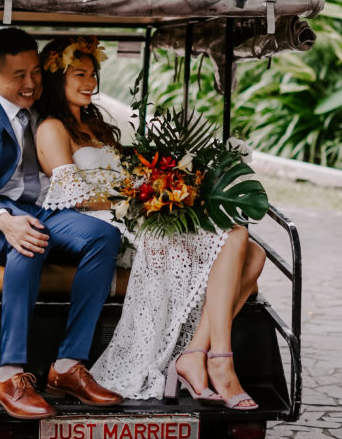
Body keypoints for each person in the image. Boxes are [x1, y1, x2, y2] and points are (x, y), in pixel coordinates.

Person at [35, 34, 267, 408]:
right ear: (56, 78)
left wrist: (162, 186)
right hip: (110, 225)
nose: (90, 82)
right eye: (79, 74)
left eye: (93, 73)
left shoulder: (96, 124)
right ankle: (218, 360)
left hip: (139, 216)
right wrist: (138, 197)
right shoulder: (52, 128)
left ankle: (195, 352)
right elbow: (71, 194)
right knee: (236, 235)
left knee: (254, 254)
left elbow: (131, 173)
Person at [0, 26, 123, 421]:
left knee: (103, 235)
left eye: (36, 73)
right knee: (28, 239)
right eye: (19, 77)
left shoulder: (47, 111)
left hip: (44, 211)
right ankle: (8, 375)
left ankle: (67, 366)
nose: (30, 84)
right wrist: (5, 220)